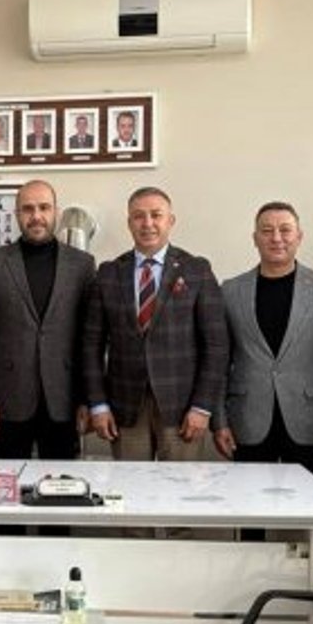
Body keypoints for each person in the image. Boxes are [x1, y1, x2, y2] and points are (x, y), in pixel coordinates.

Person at [83, 187, 227, 461]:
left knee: (180, 486)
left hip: (182, 408)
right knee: (131, 485)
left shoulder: (196, 270)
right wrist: (98, 405)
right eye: (139, 216)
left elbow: (216, 346)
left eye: (156, 215)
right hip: (125, 407)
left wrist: (202, 407)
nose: (147, 223)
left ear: (170, 221)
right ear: (129, 223)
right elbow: (91, 346)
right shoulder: (109, 273)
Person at [218, 202, 313, 481]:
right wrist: (220, 422)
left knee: (308, 503)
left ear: (299, 236)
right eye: (267, 231)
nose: (276, 238)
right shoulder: (230, 290)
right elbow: (219, 363)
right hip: (247, 420)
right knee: (248, 502)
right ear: (255, 238)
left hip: (308, 421)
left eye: (285, 230)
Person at [0, 180, 95, 459]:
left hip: (64, 399)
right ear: (17, 214)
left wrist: (88, 400)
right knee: (9, 481)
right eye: (27, 209)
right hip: (9, 399)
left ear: (56, 212)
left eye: (44, 208)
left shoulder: (83, 265)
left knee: (62, 481)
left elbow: (89, 340)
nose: (36, 216)